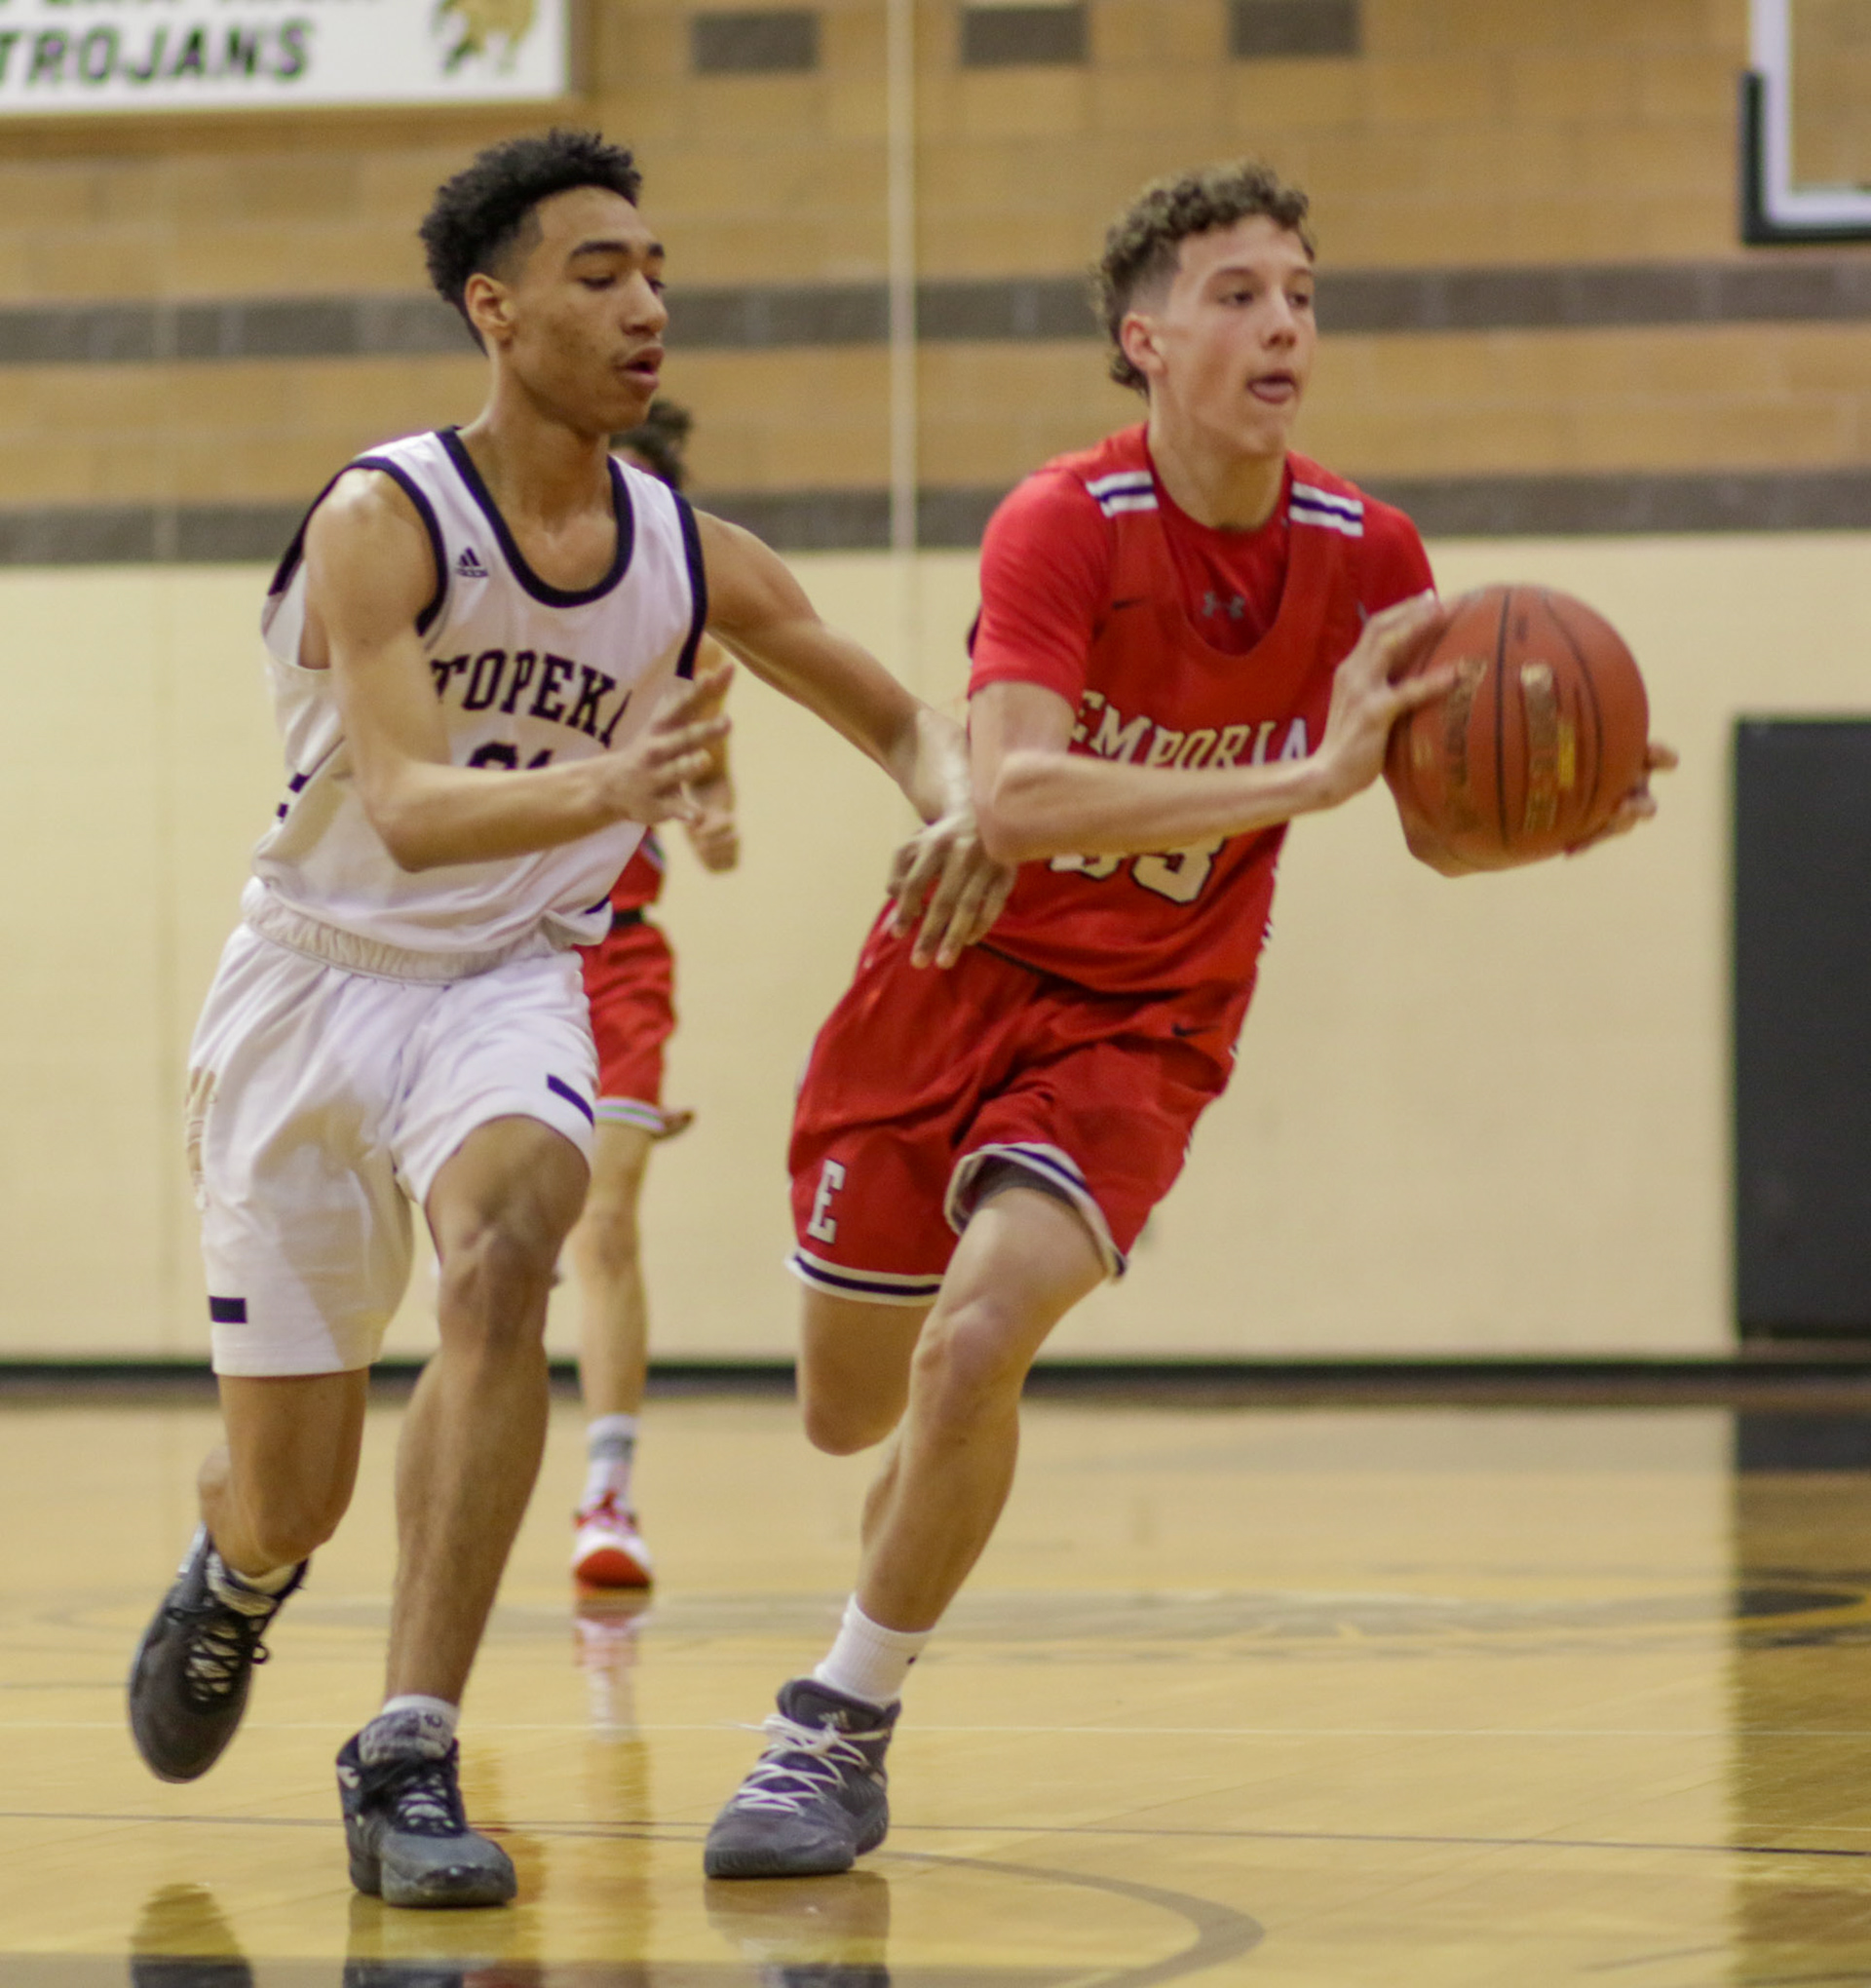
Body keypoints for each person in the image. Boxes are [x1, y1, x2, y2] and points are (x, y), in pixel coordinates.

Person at [703, 160, 1675, 1880]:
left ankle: (833, 1726)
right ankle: (897, 1563)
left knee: (976, 1347)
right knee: (853, 1413)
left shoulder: (1372, 556)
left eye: (1301, 294)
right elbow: (1012, 797)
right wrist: (1300, 778)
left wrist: (1548, 813)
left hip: (1146, 1024)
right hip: (947, 981)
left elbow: (1429, 828)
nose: (1283, 323)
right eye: (1238, 294)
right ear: (1144, 340)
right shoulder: (1064, 522)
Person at [126, 128, 1009, 1912]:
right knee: (291, 1495)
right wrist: (619, 779)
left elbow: (904, 719)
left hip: (507, 980)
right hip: (312, 979)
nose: (645, 305)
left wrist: (965, 801)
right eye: (599, 274)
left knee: (517, 1244)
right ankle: (237, 1571)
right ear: (496, 309)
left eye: (657, 272)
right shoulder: (385, 519)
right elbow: (404, 805)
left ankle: (407, 1750)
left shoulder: (689, 551)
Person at [566, 399, 737, 1591]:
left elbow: (713, 792)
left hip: (620, 960)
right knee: (498, 1248)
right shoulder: (491, 616)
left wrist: (714, 818)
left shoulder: (687, 650)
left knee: (607, 1222)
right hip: (502, 956)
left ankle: (608, 1493)